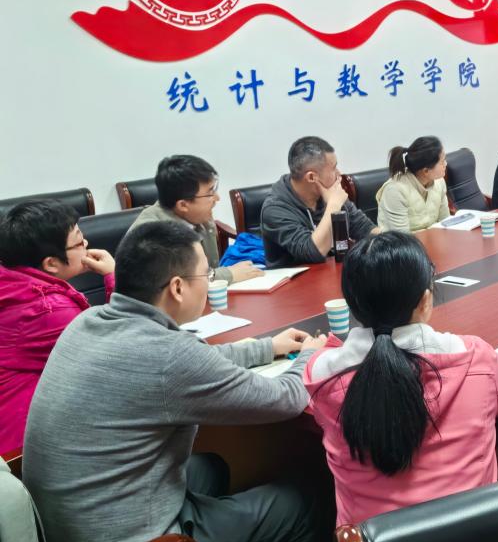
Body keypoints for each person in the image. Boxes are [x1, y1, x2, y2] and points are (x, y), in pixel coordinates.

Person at [22, 222, 329, 542]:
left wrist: (267, 347)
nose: (209, 283)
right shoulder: (168, 356)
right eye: (206, 275)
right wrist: (308, 357)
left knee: (212, 467)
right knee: (303, 502)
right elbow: (286, 399)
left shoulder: (89, 321)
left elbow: (190, 362)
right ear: (178, 287)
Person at [296, 232, 498, 542]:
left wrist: (321, 350)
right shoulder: (475, 357)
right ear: (426, 300)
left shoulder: (322, 375)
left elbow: (341, 368)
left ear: (353, 307)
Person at [0, 201, 115, 453]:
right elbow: (115, 353)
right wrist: (113, 277)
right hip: (23, 448)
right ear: (51, 263)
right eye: (79, 242)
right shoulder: (48, 309)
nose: (86, 243)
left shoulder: (13, 282)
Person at [129, 154, 263, 283]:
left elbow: (209, 270)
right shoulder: (153, 238)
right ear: (183, 205)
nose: (217, 198)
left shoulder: (197, 217)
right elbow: (180, 285)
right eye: (209, 193)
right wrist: (229, 274)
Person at [261, 136, 379, 268]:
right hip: (297, 279)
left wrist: (391, 241)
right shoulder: (275, 209)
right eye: (333, 168)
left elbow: (365, 229)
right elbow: (314, 253)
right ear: (312, 177)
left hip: (333, 273)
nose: (339, 174)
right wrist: (333, 206)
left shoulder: (329, 193)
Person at [376, 136, 452, 232]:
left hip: (433, 238)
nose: (446, 164)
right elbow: (402, 237)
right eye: (442, 161)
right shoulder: (395, 190)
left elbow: (445, 223)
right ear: (426, 171)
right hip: (402, 241)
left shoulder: (439, 182)